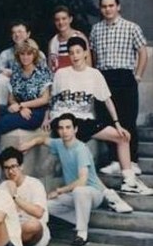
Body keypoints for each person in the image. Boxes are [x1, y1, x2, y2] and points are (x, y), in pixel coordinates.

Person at [44, 36, 152, 195]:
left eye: (78, 52)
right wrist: (47, 116)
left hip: (83, 120)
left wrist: (117, 124)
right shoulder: (61, 73)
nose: (75, 56)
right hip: (64, 119)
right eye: (71, 53)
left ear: (85, 53)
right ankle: (110, 191)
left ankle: (129, 181)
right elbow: (52, 98)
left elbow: (108, 100)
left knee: (123, 137)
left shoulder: (94, 74)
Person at [20, 113, 133, 246]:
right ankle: (80, 217)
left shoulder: (81, 149)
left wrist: (59, 191)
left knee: (80, 191)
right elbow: (42, 140)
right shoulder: (59, 144)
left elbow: (82, 181)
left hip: (93, 193)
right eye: (61, 128)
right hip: (73, 194)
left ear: (75, 129)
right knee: (45, 206)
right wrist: (29, 143)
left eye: (68, 127)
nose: (65, 131)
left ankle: (81, 234)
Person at [90, 0, 148, 175]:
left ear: (118, 6)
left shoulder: (131, 27)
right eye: (104, 6)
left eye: (111, 5)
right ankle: (115, 160)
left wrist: (137, 75)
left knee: (127, 118)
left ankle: (132, 160)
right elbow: (92, 55)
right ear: (101, 9)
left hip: (125, 77)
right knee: (106, 120)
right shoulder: (96, 29)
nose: (108, 9)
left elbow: (143, 52)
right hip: (104, 77)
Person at [0, 39, 51, 163]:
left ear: (34, 54)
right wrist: (19, 106)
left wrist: (22, 105)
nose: (25, 57)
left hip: (36, 112)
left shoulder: (42, 72)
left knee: (4, 121)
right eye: (22, 54)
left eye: (29, 54)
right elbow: (11, 98)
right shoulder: (17, 72)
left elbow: (45, 99)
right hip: (20, 108)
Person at [0, 147, 50, 246]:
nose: (11, 171)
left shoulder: (35, 184)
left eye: (14, 166)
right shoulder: (3, 187)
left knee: (33, 225)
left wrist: (14, 197)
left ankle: (9, 243)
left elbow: (38, 213)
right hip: (12, 227)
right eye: (7, 168)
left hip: (33, 233)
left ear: (21, 166)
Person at [0, 20, 45, 105]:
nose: (17, 35)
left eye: (20, 32)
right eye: (14, 32)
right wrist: (4, 72)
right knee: (0, 79)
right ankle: (2, 109)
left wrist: (16, 73)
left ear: (28, 34)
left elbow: (44, 75)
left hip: (32, 88)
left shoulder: (39, 54)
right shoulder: (6, 54)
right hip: (12, 89)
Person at [48, 5, 91, 73]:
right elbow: (51, 68)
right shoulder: (53, 42)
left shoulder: (79, 37)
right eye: (57, 20)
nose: (61, 22)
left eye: (64, 18)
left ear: (70, 19)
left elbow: (88, 65)